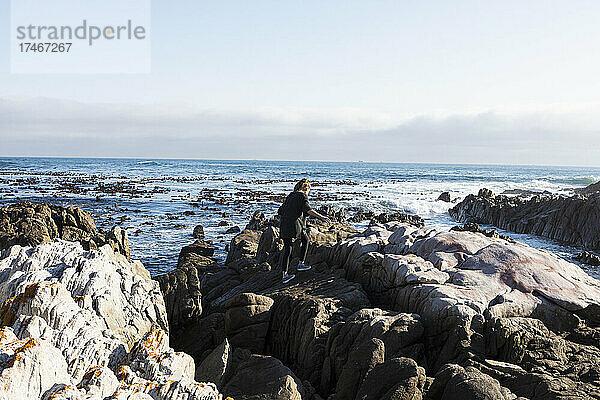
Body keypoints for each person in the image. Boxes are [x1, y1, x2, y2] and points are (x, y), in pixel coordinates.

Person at [278, 178, 331, 283]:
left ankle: (284, 275)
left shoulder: (291, 195)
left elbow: (280, 211)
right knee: (306, 240)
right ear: (306, 188)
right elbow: (308, 210)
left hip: (284, 225)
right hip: (296, 225)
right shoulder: (303, 196)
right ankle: (301, 264)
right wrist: (322, 217)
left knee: (288, 249)